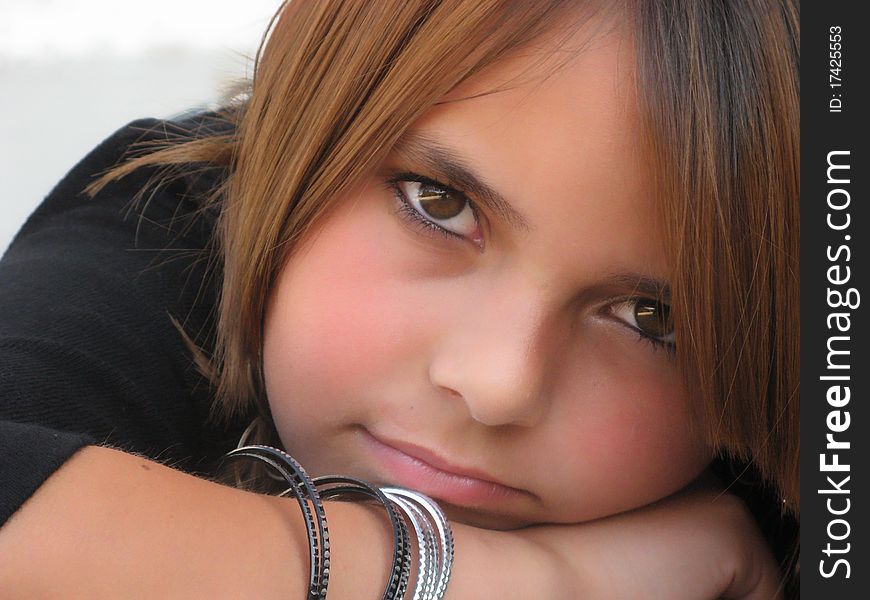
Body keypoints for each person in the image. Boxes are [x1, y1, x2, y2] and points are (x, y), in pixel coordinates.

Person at [0, 0, 799, 598]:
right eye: (439, 205)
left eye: (653, 318)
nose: (497, 385)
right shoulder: (178, 217)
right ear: (301, 134)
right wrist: (543, 580)